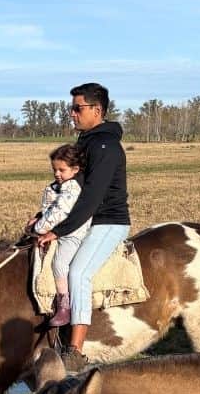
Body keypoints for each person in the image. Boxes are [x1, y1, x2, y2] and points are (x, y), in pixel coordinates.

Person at [35, 82, 130, 372]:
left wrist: (58, 230)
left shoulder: (106, 147)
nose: (72, 114)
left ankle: (75, 349)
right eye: (71, 108)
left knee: (78, 272)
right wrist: (43, 216)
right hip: (87, 219)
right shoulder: (86, 143)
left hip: (108, 221)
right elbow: (69, 191)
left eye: (78, 108)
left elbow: (90, 198)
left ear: (97, 110)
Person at [27, 144, 89, 327]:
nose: (57, 173)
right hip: (57, 231)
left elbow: (60, 212)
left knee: (59, 264)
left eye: (62, 170)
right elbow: (50, 210)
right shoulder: (60, 186)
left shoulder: (72, 188)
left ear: (75, 169)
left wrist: (38, 228)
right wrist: (38, 217)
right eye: (54, 169)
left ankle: (65, 306)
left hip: (72, 234)